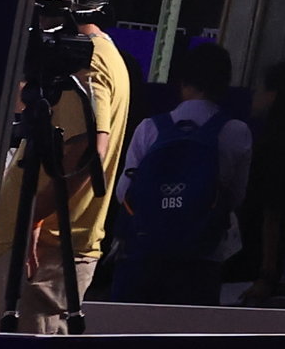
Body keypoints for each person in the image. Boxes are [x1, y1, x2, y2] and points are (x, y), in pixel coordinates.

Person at [0, 0, 128, 333]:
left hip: (46, 252)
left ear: (70, 2)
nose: (38, 6)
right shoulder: (75, 58)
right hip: (33, 248)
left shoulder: (89, 61)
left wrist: (33, 216)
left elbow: (88, 150)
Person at [107, 40, 253, 304]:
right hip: (202, 257)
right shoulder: (236, 132)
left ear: (183, 82)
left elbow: (123, 193)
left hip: (143, 252)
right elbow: (237, 197)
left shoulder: (149, 128)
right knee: (188, 336)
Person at [231, 60, 285, 306]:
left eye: (260, 88)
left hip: (249, 267)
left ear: (274, 95)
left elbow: (272, 213)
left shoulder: (272, 149)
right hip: (259, 267)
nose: (254, 94)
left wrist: (265, 276)